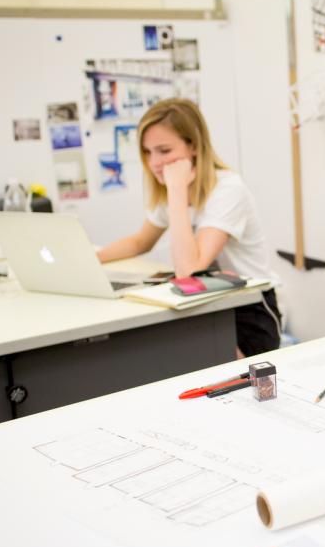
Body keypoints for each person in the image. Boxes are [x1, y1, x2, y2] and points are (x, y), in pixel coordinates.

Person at [98, 98, 281, 357]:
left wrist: (176, 190)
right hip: (205, 306)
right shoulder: (172, 191)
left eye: (164, 150)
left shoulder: (227, 190)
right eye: (148, 152)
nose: (154, 163)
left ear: (193, 145)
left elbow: (190, 271)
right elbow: (140, 242)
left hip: (248, 313)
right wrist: (89, 260)